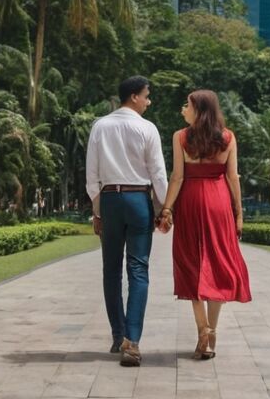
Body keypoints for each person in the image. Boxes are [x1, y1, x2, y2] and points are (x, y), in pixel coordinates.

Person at [158, 89, 252, 361]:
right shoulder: (228, 137)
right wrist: (239, 213)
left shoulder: (180, 137)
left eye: (186, 105)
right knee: (219, 264)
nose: (182, 109)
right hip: (219, 203)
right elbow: (233, 178)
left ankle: (202, 331)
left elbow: (177, 177)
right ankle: (213, 334)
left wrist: (167, 209)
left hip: (190, 203)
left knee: (192, 264)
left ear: (198, 109)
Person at [85, 75, 168, 367]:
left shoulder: (100, 126)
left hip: (109, 199)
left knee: (111, 270)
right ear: (134, 96)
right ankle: (132, 342)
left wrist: (97, 212)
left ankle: (118, 335)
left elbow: (91, 175)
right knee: (138, 270)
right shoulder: (147, 128)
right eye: (146, 95)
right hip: (138, 200)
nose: (148, 100)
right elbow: (158, 174)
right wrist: (164, 209)